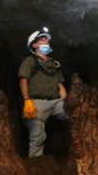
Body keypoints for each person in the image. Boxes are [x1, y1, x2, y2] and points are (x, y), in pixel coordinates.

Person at [18, 27, 68, 158]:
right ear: (34, 45)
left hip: (56, 101)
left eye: (47, 39)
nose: (46, 41)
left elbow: (60, 85)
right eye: (42, 39)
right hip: (37, 102)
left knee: (76, 114)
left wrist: (67, 102)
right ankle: (36, 165)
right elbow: (23, 81)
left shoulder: (53, 64)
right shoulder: (30, 61)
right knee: (37, 136)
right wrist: (27, 100)